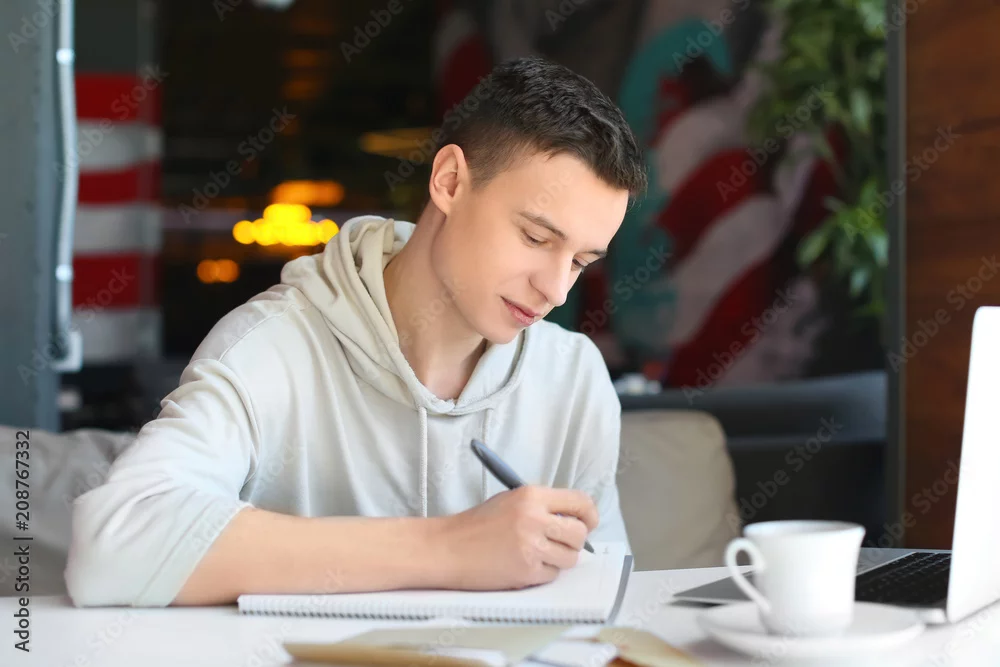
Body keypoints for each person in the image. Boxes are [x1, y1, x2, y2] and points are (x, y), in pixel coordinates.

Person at [64, 56, 648, 607]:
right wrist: (448, 548)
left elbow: (600, 591)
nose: (556, 290)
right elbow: (112, 547)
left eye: (580, 262)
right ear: (449, 181)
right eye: (536, 238)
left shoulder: (574, 377)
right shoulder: (270, 346)